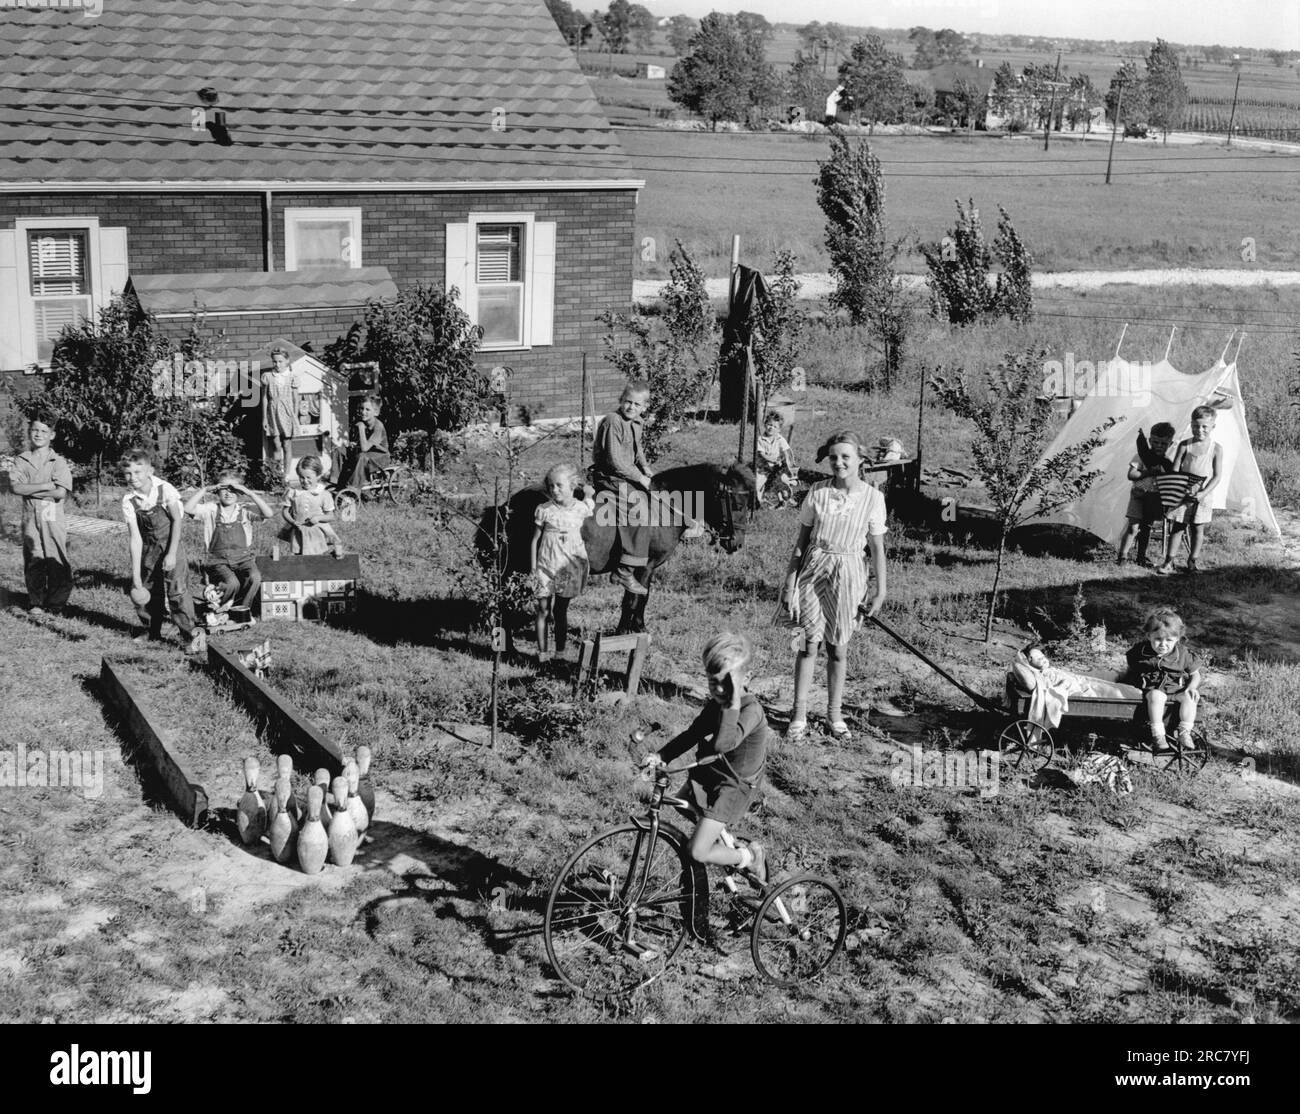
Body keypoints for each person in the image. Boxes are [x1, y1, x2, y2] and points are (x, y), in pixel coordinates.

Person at [782, 430, 888, 743]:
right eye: (833, 457)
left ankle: (834, 713)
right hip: (813, 573)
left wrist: (880, 591)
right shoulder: (816, 492)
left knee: (837, 648)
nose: (839, 463)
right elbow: (800, 545)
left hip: (850, 575)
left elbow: (878, 550)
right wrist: (790, 583)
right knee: (806, 644)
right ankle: (799, 714)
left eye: (845, 457)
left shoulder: (873, 498)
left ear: (860, 460)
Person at [639, 632, 770, 883]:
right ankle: (718, 834)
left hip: (735, 785)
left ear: (748, 679)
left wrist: (731, 704)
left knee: (697, 851)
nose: (719, 690)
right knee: (683, 803)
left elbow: (724, 744)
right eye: (712, 682)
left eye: (727, 683)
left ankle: (748, 857)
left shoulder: (750, 711)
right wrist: (661, 755)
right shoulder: (715, 703)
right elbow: (693, 733)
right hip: (714, 771)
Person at [122, 448, 202, 651]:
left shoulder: (164, 489)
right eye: (128, 473)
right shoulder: (129, 500)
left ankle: (189, 634)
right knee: (148, 591)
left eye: (138, 472)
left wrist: (172, 553)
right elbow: (135, 538)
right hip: (149, 550)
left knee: (177, 592)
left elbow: (177, 520)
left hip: (170, 545)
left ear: (150, 470)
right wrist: (135, 576)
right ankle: (152, 630)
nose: (133, 478)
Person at [183, 473, 275, 617]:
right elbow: (188, 509)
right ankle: (218, 606)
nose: (228, 493)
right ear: (217, 491)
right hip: (218, 560)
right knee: (232, 583)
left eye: (233, 489)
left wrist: (249, 493)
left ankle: (242, 609)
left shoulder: (245, 510)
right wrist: (206, 489)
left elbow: (269, 514)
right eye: (224, 489)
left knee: (255, 577)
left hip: (244, 558)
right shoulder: (211, 509)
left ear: (239, 492)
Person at [590, 381, 652, 596]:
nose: (631, 407)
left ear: (644, 407)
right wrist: (640, 478)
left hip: (626, 475)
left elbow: (637, 449)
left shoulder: (637, 423)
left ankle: (643, 550)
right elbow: (615, 461)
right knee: (639, 511)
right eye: (628, 402)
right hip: (609, 478)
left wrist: (645, 468)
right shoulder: (612, 421)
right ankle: (624, 570)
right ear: (620, 400)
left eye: (637, 404)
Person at [7, 416, 73, 614]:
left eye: (44, 431)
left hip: (52, 515)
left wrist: (29, 489)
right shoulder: (22, 460)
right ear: (30, 431)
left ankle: (55, 603)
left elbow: (60, 492)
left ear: (52, 435)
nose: (38, 434)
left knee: (55, 557)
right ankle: (36, 601)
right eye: (35, 430)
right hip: (30, 516)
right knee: (34, 556)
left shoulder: (57, 462)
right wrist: (45, 485)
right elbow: (16, 488)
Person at [530, 464, 594, 660]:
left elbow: (589, 503)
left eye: (559, 485)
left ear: (573, 485)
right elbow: (535, 540)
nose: (554, 490)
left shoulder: (580, 509)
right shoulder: (544, 510)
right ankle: (542, 654)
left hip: (567, 568)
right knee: (542, 609)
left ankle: (560, 653)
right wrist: (533, 569)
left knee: (560, 610)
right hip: (545, 567)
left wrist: (589, 494)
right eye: (550, 486)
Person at [1121, 607, 1202, 752]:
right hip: (1153, 689)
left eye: (1169, 640)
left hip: (1177, 689)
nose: (1163, 644)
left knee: (1190, 698)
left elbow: (1195, 674)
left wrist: (1192, 687)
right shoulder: (1141, 652)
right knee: (1156, 696)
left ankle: (1184, 732)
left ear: (1177, 638)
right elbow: (1131, 669)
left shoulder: (1183, 654)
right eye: (1157, 639)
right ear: (1149, 636)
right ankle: (1158, 734)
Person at [1156, 406, 1223, 576]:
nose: (1199, 430)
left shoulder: (1216, 449)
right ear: (1191, 424)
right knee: (1178, 527)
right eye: (1195, 426)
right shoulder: (1185, 445)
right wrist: (1179, 489)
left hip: (1202, 495)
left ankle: (1192, 562)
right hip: (1183, 493)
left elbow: (1217, 476)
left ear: (1212, 426)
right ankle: (1169, 562)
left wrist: (1202, 494)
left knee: (1197, 528)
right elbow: (1176, 469)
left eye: (1204, 426)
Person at [1117, 422, 1175, 567]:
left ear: (1170, 443)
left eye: (1163, 443)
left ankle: (1141, 557)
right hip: (1139, 496)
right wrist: (1148, 472)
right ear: (1149, 441)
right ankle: (1122, 556)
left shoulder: (1167, 463)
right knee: (1133, 527)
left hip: (1154, 499)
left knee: (1146, 528)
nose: (1159, 446)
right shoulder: (1142, 455)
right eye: (1155, 442)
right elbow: (1131, 474)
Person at [281, 455, 343, 556]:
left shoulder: (323, 494)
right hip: (298, 531)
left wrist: (318, 518)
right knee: (299, 555)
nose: (305, 481)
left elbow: (331, 516)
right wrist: (292, 521)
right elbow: (285, 511)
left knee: (316, 557)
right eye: (301, 477)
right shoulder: (293, 492)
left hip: (316, 531)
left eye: (308, 477)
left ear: (318, 476)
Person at [261, 344, 299, 478]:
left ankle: (287, 475)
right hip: (273, 412)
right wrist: (264, 418)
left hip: (288, 413)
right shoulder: (268, 376)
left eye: (280, 361)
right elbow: (265, 397)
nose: (277, 364)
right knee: (276, 444)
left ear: (287, 361)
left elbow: (295, 398)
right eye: (275, 361)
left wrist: (295, 416)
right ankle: (278, 474)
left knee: (287, 444)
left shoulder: (292, 376)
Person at [343, 396, 391, 495]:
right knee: (340, 451)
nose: (363, 412)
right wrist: (353, 444)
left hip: (381, 457)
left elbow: (365, 448)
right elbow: (361, 444)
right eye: (361, 408)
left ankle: (353, 489)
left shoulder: (378, 426)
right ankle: (337, 483)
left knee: (362, 457)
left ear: (376, 412)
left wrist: (361, 428)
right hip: (369, 455)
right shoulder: (363, 423)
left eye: (367, 409)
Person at [755, 412, 796, 507]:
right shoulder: (760, 439)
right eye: (769, 424)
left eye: (774, 426)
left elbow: (787, 451)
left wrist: (789, 462)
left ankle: (785, 498)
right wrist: (772, 459)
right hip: (763, 468)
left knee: (782, 481)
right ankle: (758, 501)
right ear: (765, 424)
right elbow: (761, 454)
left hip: (776, 468)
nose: (771, 428)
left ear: (779, 429)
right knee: (757, 484)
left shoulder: (780, 439)